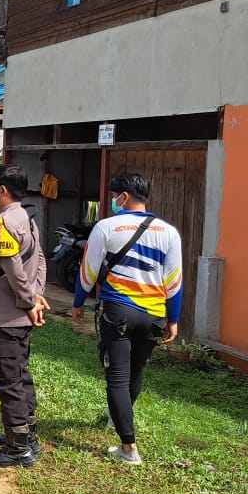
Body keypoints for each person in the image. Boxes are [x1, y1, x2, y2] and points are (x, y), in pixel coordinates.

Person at [70, 173, 182, 466]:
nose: (112, 201)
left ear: (124, 196)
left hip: (118, 311)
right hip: (153, 315)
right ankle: (120, 417)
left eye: (113, 196)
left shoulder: (106, 227)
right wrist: (173, 319)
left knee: (117, 377)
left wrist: (78, 304)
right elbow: (174, 282)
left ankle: (129, 448)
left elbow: (88, 271)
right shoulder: (169, 232)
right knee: (136, 371)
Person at [0, 164, 50, 468]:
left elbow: (13, 268)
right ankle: (27, 435)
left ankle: (18, 448)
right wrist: (37, 293)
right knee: (20, 375)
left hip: (4, 316)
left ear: (2, 190)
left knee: (6, 380)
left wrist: (29, 299)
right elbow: (40, 258)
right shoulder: (27, 217)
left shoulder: (3, 223)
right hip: (18, 316)